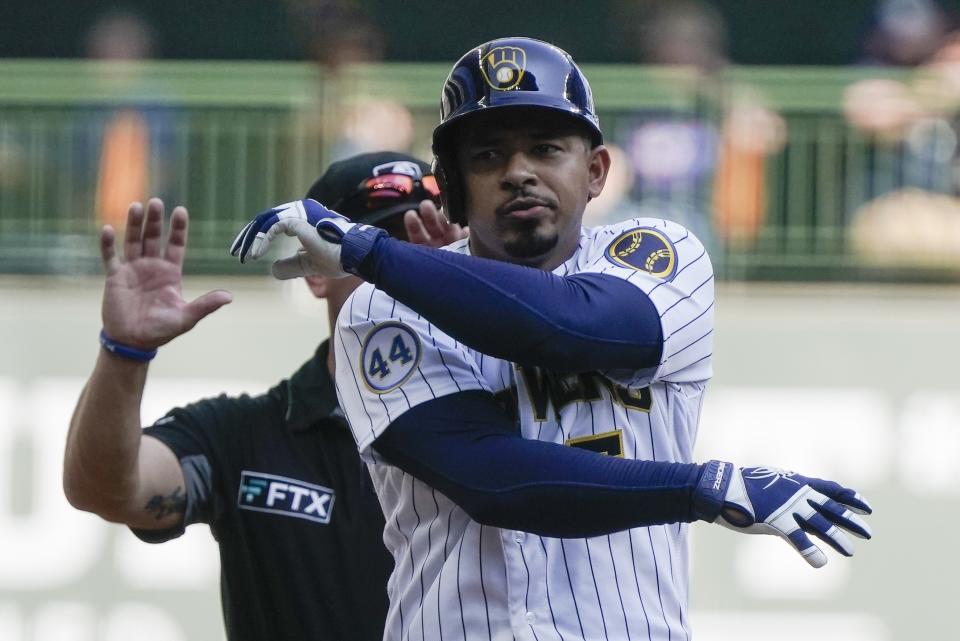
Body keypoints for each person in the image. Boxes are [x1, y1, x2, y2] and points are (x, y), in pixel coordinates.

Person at [233, 38, 874, 641]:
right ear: (452, 188)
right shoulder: (378, 307)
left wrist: (369, 250)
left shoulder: (660, 252)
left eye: (546, 149)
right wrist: (699, 487)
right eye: (487, 156)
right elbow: (495, 482)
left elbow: (574, 327)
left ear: (596, 170)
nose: (518, 173)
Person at [63, 152, 466, 641]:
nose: (402, 271)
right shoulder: (245, 436)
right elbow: (106, 489)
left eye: (427, 251)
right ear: (315, 271)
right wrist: (124, 352)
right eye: (375, 250)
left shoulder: (513, 418)